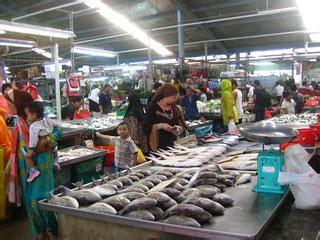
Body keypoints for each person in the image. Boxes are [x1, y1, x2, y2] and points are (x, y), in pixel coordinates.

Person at [5, 89, 61, 239]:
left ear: (19, 103)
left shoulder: (40, 120)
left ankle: (54, 231)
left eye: (11, 104)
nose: (9, 107)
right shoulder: (18, 123)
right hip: (25, 171)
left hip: (42, 168)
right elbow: (14, 148)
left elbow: (58, 131)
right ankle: (40, 232)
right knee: (30, 202)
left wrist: (46, 140)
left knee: (42, 201)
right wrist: (9, 167)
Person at [24, 102, 60, 182]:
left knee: (27, 157)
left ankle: (33, 171)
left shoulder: (34, 126)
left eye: (28, 115)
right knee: (55, 149)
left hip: (42, 146)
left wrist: (31, 149)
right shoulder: (47, 120)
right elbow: (57, 124)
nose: (27, 117)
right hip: (52, 144)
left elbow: (33, 140)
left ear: (34, 115)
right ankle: (56, 160)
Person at [144, 84, 185, 151]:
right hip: (157, 147)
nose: (176, 98)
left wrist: (179, 128)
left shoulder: (175, 108)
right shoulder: (152, 108)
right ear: (166, 96)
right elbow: (145, 127)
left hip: (174, 146)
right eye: (174, 96)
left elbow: (182, 124)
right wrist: (160, 126)